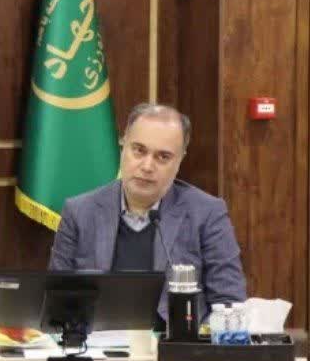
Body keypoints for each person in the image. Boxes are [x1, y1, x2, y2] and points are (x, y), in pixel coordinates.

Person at [49, 103, 247, 318]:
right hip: (96, 338)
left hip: (175, 338)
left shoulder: (206, 214)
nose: (147, 166)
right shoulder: (79, 212)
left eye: (163, 157)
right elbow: (56, 301)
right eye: (139, 150)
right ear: (122, 145)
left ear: (180, 160)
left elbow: (229, 304)